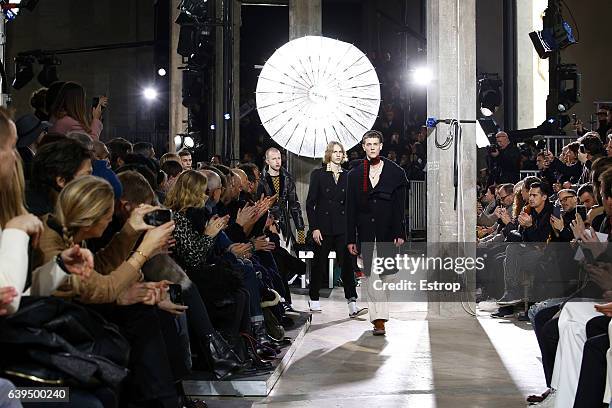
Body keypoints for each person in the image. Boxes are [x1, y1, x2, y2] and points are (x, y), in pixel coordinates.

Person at [346, 130, 408, 336]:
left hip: (388, 231)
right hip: (365, 231)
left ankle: (380, 313)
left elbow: (400, 206)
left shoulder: (396, 173)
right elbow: (351, 209)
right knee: (372, 276)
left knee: (387, 275)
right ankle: (378, 319)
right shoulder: (354, 175)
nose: (372, 147)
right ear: (363, 147)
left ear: (381, 146)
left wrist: (401, 232)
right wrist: (351, 238)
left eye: (375, 144)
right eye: (368, 144)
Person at [306, 141, 367, 318]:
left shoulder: (349, 176)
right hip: (323, 227)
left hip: (342, 227)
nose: (338, 154)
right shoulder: (317, 175)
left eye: (341, 152)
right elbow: (311, 204)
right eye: (335, 151)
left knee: (348, 265)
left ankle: (352, 302)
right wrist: (314, 227)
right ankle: (314, 297)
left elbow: (352, 205)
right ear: (329, 154)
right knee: (319, 264)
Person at [257, 147, 305, 248]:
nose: (277, 161)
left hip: (284, 225)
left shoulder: (287, 178)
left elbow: (294, 206)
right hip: (266, 225)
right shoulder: (261, 180)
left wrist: (300, 233)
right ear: (267, 161)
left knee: (284, 258)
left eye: (279, 158)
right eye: (274, 159)